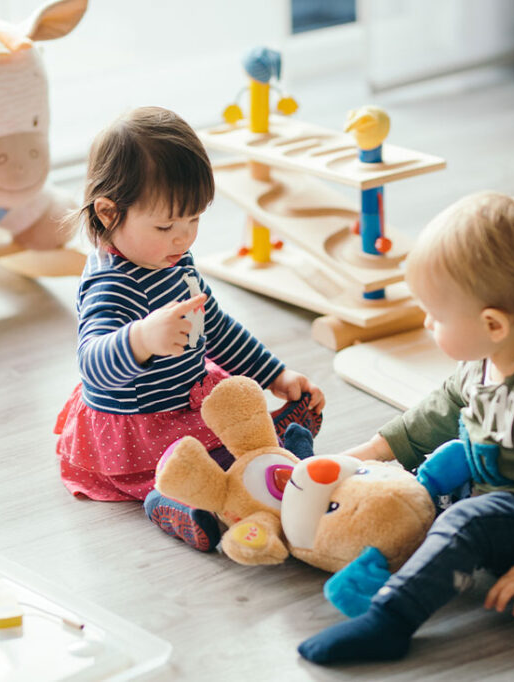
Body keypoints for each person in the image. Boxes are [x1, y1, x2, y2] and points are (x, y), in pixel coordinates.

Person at [298, 191, 514, 664]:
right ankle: (383, 558)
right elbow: (443, 405)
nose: (426, 322)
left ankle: (391, 619)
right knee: (419, 490)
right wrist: (368, 453)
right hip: (510, 485)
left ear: (493, 323)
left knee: (464, 520)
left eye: (436, 316)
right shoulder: (488, 357)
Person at [54, 107, 324, 552]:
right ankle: (173, 504)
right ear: (107, 213)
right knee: (189, 469)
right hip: (139, 426)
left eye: (194, 220)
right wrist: (141, 339)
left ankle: (276, 448)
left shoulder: (172, 259)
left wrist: (275, 375)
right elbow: (92, 365)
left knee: (234, 420)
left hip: (187, 397)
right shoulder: (111, 285)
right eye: (166, 225)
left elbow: (214, 327)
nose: (184, 239)